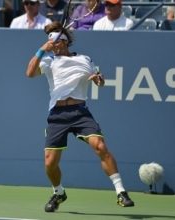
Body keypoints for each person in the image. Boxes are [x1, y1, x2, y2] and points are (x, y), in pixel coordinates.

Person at [25, 21, 135, 212]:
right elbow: (29, 73)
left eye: (56, 40)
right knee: (50, 163)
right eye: (49, 41)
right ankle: (58, 192)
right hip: (57, 115)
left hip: (80, 113)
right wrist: (42, 49)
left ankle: (121, 192)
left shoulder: (85, 59)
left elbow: (100, 82)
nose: (53, 44)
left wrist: (98, 80)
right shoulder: (48, 60)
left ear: (65, 42)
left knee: (100, 146)